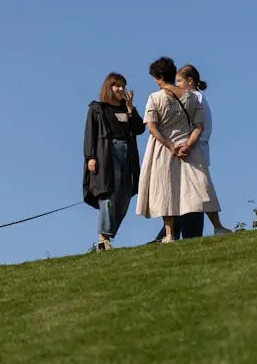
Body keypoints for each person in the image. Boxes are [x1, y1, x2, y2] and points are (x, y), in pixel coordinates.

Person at [135, 57, 221, 242]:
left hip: (164, 148)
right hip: (189, 147)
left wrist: (171, 146)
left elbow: (151, 127)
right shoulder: (191, 96)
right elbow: (199, 126)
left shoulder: (155, 97)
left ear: (158, 77)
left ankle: (169, 234)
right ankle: (218, 226)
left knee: (166, 188)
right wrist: (188, 145)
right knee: (199, 187)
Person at [83, 72, 146, 251]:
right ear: (108, 87)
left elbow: (139, 129)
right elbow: (89, 135)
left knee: (125, 194)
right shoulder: (97, 109)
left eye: (122, 86)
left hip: (128, 153)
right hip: (106, 154)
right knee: (108, 194)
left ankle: (108, 235)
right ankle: (103, 237)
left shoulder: (126, 108)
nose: (120, 89)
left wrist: (130, 108)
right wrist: (91, 157)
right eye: (116, 85)